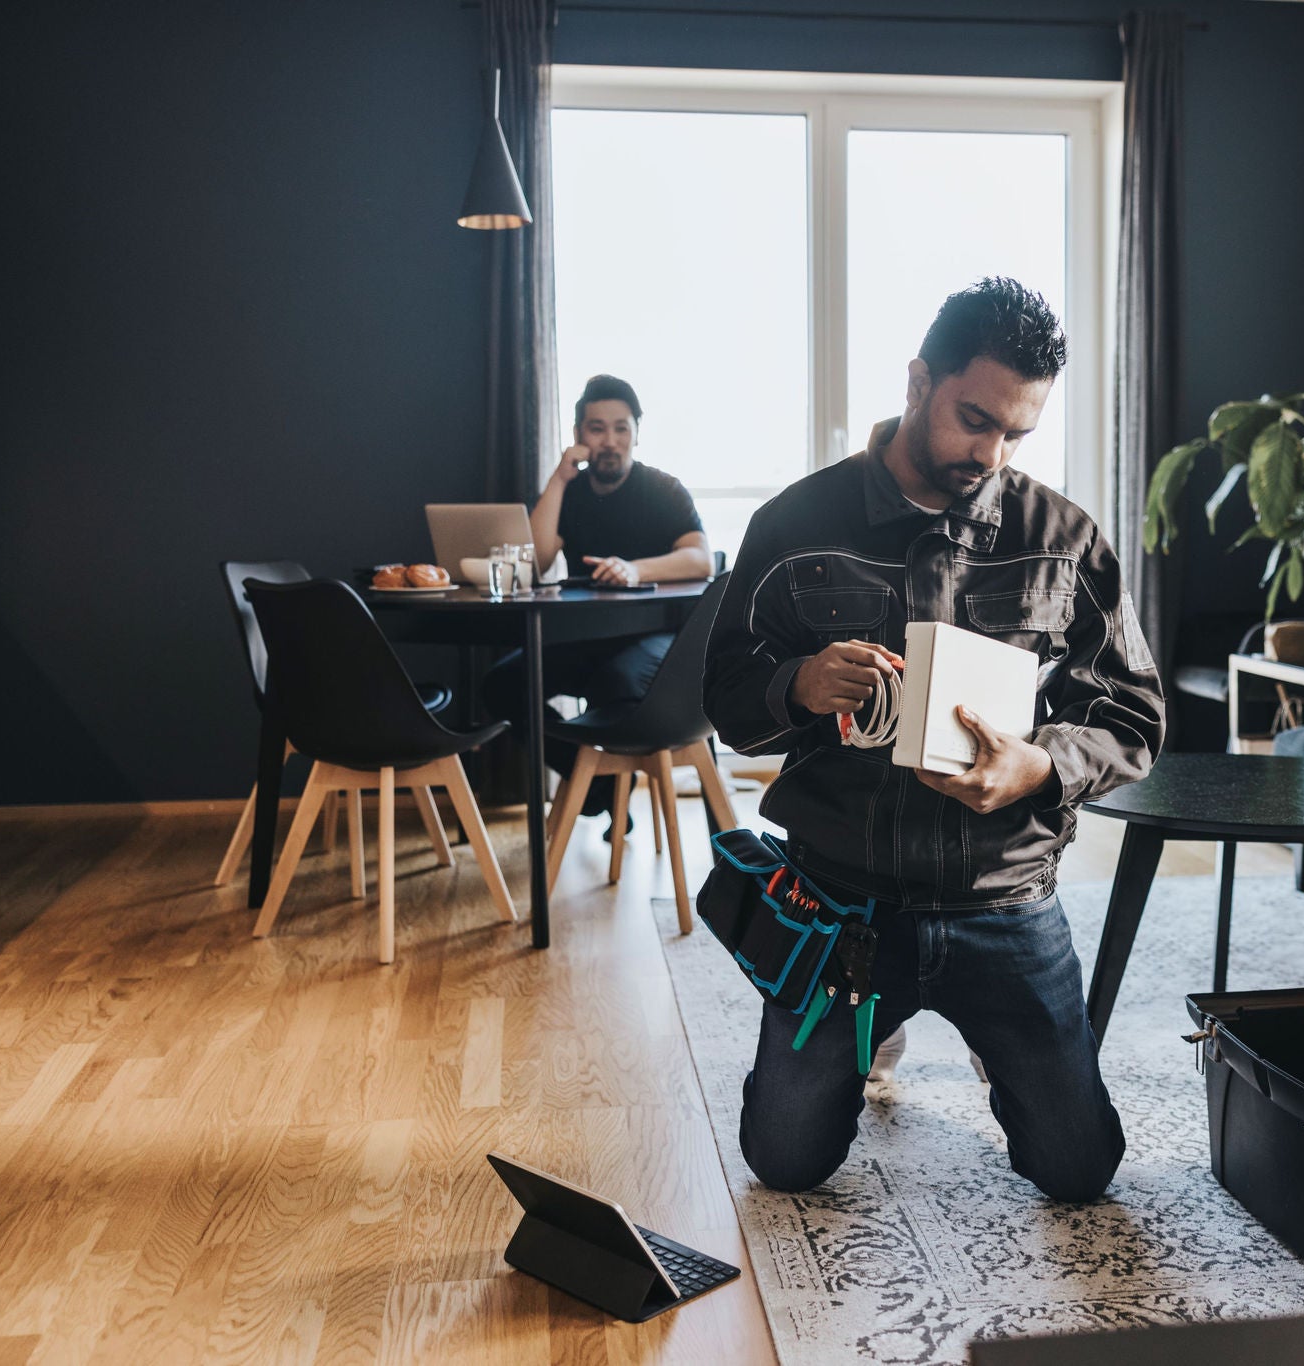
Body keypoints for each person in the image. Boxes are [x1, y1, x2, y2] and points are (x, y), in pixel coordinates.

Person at [702, 278, 1166, 1203]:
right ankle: (872, 1023)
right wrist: (794, 685)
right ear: (918, 383)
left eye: (1017, 434)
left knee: (1080, 1172)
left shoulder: (1064, 539)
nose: (991, 452)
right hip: (841, 906)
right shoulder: (793, 526)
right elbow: (725, 701)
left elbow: (1134, 716)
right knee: (785, 1163)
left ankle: (991, 1039)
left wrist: (1040, 765)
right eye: (974, 419)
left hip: (1005, 896)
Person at [483, 374, 714, 821]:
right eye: (597, 428)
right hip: (588, 639)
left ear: (636, 434)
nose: (610, 440)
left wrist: (634, 569)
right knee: (502, 685)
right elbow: (533, 560)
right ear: (579, 436)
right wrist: (559, 478)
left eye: (621, 428)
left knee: (616, 684)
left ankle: (602, 786)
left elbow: (701, 559)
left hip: (659, 639)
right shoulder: (569, 493)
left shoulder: (663, 489)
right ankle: (596, 788)